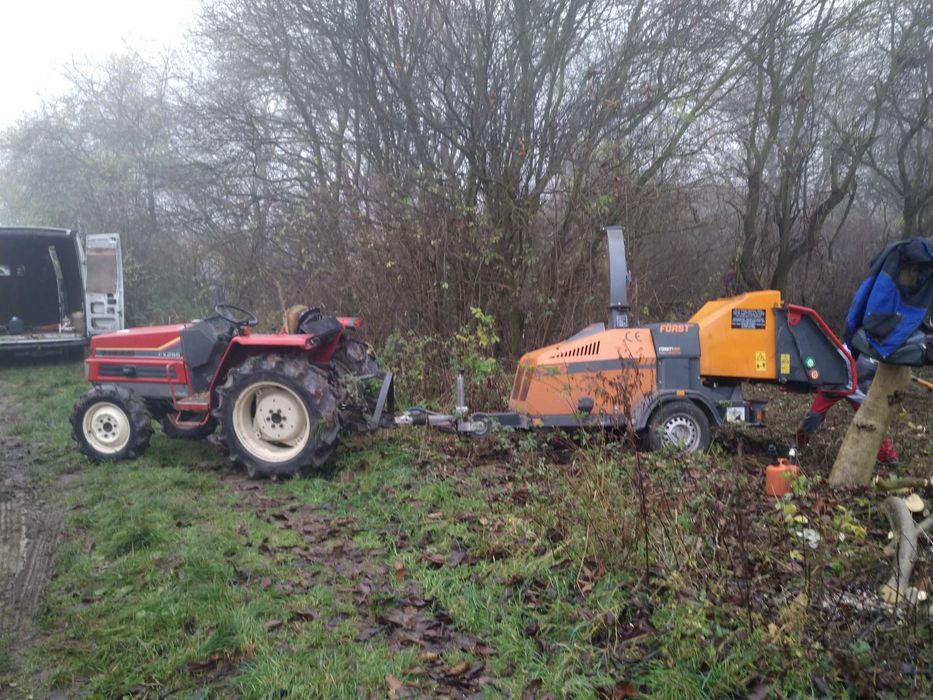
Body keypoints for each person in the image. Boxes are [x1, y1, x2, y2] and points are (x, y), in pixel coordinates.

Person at [794, 352, 900, 466]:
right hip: (833, 384)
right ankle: (798, 443)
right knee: (814, 415)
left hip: (856, 386)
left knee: (870, 418)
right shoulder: (838, 349)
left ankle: (887, 455)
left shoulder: (874, 358)